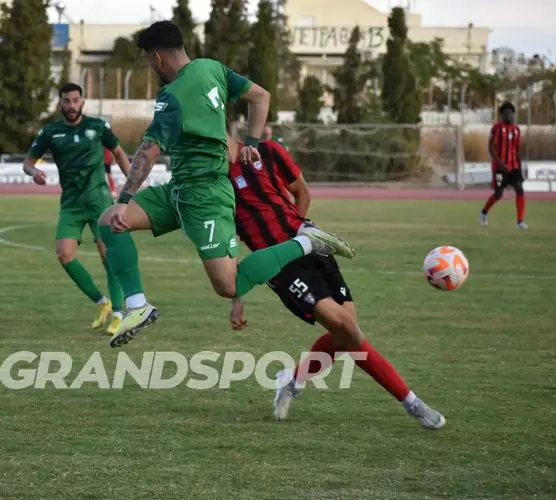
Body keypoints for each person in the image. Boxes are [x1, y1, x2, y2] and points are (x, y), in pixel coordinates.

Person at [97, 20, 356, 348]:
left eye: (149, 60)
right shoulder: (212, 68)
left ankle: (307, 242)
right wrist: (251, 141)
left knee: (229, 285)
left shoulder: (172, 95)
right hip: (179, 189)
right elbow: (261, 97)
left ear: (158, 57)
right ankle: (138, 306)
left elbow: (148, 151)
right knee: (109, 221)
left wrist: (124, 198)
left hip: (206, 195)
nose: (151, 66)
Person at [226, 136, 445, 429]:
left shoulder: (267, 151)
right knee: (349, 331)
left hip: (312, 243)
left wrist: (299, 232)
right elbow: (227, 244)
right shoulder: (215, 181)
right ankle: (412, 403)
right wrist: (237, 296)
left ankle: (292, 380)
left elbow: (302, 191)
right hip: (279, 267)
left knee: (347, 334)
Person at [23, 82, 132, 335]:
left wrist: (132, 184)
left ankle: (118, 312)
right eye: (66, 101)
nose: (71, 105)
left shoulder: (98, 126)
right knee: (64, 254)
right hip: (71, 204)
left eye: (75, 100)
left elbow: (118, 153)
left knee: (108, 255)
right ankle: (101, 302)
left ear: (82, 102)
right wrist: (33, 172)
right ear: (60, 103)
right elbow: (28, 162)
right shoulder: (50, 132)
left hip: (99, 201)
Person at [480, 102, 527, 229]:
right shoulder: (496, 128)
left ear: (513, 114)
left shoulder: (517, 130)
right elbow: (491, 148)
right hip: (499, 168)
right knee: (498, 194)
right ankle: (484, 212)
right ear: (501, 115)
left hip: (514, 166)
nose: (508, 116)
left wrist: (519, 167)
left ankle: (520, 221)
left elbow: (517, 150)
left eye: (510, 113)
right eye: (505, 113)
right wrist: (501, 164)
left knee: (519, 189)